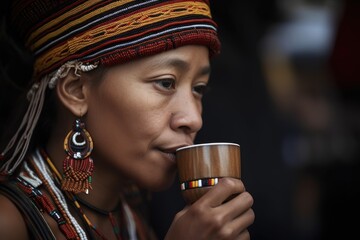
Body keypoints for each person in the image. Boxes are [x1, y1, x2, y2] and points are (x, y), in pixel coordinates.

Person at [0, 0, 255, 239]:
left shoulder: (132, 222)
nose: (193, 118)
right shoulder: (10, 223)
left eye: (198, 88)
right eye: (165, 83)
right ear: (76, 91)